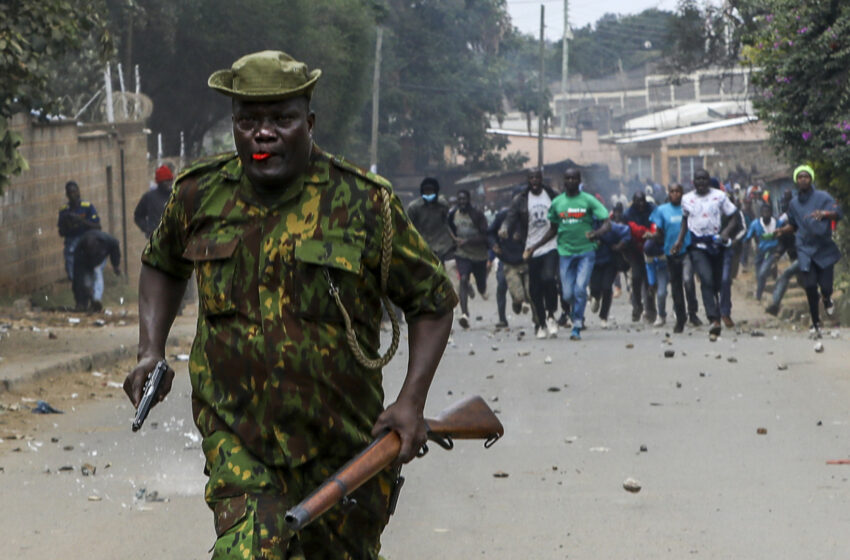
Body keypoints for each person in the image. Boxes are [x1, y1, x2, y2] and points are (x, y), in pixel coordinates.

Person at [122, 50, 457, 560]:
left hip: (344, 445)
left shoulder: (365, 203)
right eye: (248, 120)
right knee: (249, 551)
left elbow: (432, 301)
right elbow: (162, 264)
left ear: (310, 122)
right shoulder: (198, 195)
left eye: (282, 119)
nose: (263, 133)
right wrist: (151, 350)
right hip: (238, 436)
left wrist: (410, 402)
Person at [525, 168, 610, 341]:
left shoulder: (588, 200)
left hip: (586, 251)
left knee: (579, 289)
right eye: (567, 178)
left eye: (574, 178)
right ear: (564, 181)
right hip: (564, 252)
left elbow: (607, 221)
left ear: (579, 180)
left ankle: (577, 324)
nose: (571, 181)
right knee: (567, 294)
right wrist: (535, 247)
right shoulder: (557, 203)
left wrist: (597, 233)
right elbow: (553, 229)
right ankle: (574, 309)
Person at [774, 165, 842, 337]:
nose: (803, 179)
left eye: (806, 176)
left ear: (811, 179)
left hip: (824, 247)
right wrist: (782, 231)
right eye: (800, 177)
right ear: (796, 180)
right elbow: (793, 224)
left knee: (826, 287)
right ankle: (816, 323)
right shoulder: (794, 204)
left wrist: (825, 214)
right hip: (804, 248)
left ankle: (826, 299)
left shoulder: (823, 197)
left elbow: (838, 213)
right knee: (810, 286)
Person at [672, 169, 741, 338]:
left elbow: (734, 217)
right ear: (693, 182)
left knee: (718, 282)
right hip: (698, 246)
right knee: (706, 279)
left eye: (704, 179)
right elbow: (685, 220)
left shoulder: (719, 196)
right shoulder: (687, 199)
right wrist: (680, 240)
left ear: (709, 180)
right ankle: (714, 319)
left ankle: (720, 311)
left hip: (717, 245)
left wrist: (726, 232)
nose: (701, 182)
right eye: (698, 179)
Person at [500, 169, 561, 339]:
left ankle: (551, 315)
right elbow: (510, 217)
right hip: (530, 248)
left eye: (537, 177)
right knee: (535, 288)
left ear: (542, 179)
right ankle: (540, 323)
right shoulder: (520, 200)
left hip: (550, 244)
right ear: (528, 180)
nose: (534, 180)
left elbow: (560, 215)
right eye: (531, 178)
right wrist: (504, 229)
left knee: (549, 278)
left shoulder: (552, 195)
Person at [649, 184, 698, 333]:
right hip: (671, 253)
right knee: (676, 286)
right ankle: (680, 318)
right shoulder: (662, 210)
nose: (675, 194)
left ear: (682, 193)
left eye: (678, 191)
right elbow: (659, 232)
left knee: (688, 281)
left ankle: (693, 312)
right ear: (668, 193)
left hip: (687, 251)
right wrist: (652, 237)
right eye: (672, 191)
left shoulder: (688, 208)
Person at [449, 189, 489, 328]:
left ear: (469, 200)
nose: (462, 202)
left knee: (481, 285)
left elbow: (485, 236)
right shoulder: (453, 214)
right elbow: (449, 229)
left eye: (464, 199)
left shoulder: (477, 215)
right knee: (464, 279)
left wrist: (467, 241)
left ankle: (481, 288)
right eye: (459, 200)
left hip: (479, 256)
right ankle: (464, 314)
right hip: (462, 254)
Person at [489, 206, 531, 328]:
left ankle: (521, 303)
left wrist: (522, 239)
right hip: (506, 259)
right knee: (502, 285)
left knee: (527, 289)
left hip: (523, 258)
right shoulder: (502, 216)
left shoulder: (527, 217)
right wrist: (494, 247)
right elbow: (490, 234)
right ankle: (502, 318)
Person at [589, 220, 630, 328]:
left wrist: (619, 246)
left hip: (610, 262)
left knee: (607, 288)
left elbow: (627, 233)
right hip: (593, 262)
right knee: (595, 288)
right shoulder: (587, 225)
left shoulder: (613, 227)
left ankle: (604, 316)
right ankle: (596, 297)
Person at [57, 181, 101, 281]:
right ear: (67, 195)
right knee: (70, 261)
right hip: (71, 240)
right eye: (69, 193)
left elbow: (97, 226)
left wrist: (81, 220)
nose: (72, 195)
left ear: (78, 192)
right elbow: (60, 232)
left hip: (86, 238)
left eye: (74, 192)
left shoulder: (87, 207)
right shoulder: (64, 210)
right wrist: (68, 225)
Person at [624, 192, 657, 323]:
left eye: (643, 201)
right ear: (633, 202)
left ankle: (650, 310)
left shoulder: (653, 209)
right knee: (637, 277)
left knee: (650, 281)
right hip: (634, 249)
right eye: (638, 201)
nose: (641, 204)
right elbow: (627, 230)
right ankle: (637, 305)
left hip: (651, 248)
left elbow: (657, 224)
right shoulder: (628, 214)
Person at [406, 177, 456, 262]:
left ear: (436, 191)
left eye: (431, 190)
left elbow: (446, 223)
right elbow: (407, 226)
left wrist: (453, 238)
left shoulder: (443, 205)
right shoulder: (414, 207)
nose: (428, 193)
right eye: (426, 190)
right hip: (422, 244)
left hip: (442, 245)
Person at [72, 230, 121, 311]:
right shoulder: (79, 249)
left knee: (97, 275)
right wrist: (80, 300)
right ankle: (82, 303)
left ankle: (96, 300)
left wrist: (116, 265)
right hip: (84, 261)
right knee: (84, 281)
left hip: (100, 259)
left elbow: (115, 250)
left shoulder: (110, 242)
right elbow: (78, 276)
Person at [743, 203, 781, 302]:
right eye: (764, 212)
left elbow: (784, 235)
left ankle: (759, 295)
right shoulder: (755, 224)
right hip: (760, 252)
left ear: (771, 213)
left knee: (762, 273)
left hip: (772, 251)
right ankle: (761, 292)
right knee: (759, 275)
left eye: (768, 212)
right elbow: (748, 237)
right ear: (761, 214)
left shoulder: (777, 223)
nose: (766, 214)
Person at [134, 165, 175, 237]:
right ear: (160, 182)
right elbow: (138, 216)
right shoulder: (149, 197)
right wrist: (147, 228)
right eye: (166, 181)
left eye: (170, 180)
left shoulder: (177, 195)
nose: (169, 183)